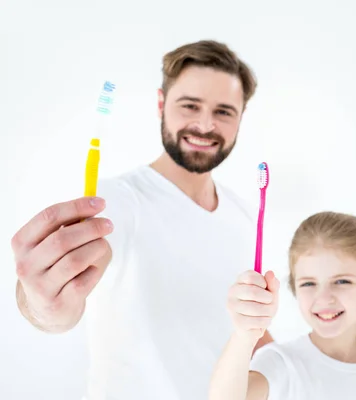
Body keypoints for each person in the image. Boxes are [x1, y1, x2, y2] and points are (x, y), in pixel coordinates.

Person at [11, 39, 273, 399]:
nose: (204, 124)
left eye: (224, 111)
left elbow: (248, 335)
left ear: (241, 117)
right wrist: (42, 305)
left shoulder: (246, 217)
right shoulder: (115, 203)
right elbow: (52, 311)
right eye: (190, 105)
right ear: (161, 104)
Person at [209, 211, 356, 400]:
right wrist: (244, 335)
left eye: (342, 281)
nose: (325, 298)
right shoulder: (280, 364)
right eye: (309, 283)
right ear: (294, 289)